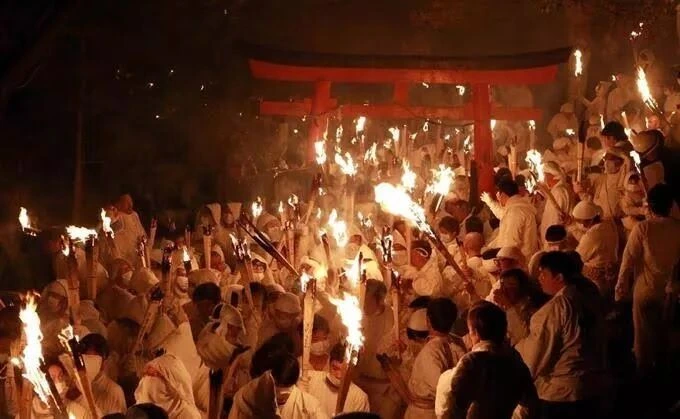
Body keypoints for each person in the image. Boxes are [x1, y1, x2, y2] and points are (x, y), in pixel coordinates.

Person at [516, 252, 608, 418]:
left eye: (544, 274)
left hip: (561, 394)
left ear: (559, 277)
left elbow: (535, 357)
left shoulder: (555, 309)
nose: (539, 278)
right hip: (593, 388)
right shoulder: (588, 298)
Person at [615, 184, 680, 375]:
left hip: (645, 291)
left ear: (649, 206)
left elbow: (627, 260)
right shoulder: (677, 228)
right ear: (670, 206)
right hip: (668, 292)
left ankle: (644, 374)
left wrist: (620, 288)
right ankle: (663, 373)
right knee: (664, 335)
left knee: (642, 338)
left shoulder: (643, 228)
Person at [435, 301, 539, 419]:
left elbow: (454, 409)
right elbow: (530, 405)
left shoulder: (472, 362)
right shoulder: (514, 359)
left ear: (475, 333)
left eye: (470, 331)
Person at [404, 298, 466, 419]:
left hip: (426, 414)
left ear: (428, 320)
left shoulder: (431, 351)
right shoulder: (458, 342)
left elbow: (441, 387)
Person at [355, 279, 397, 419]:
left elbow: (391, 351)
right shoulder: (356, 314)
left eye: (367, 300)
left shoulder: (391, 316)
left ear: (380, 300)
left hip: (382, 385)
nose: (363, 303)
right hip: (359, 380)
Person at [570, 201, 619, 297]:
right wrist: (570, 225)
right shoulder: (608, 224)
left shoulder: (592, 235)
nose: (578, 224)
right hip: (610, 278)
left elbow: (578, 258)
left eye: (579, 221)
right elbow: (589, 242)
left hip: (595, 282)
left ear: (587, 221)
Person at [308, 343, 370, 416]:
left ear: (353, 370)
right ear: (329, 363)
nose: (339, 375)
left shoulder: (359, 398)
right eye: (335, 368)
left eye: (345, 371)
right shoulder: (310, 379)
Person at [134, 353, 202, 419]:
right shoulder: (137, 412)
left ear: (173, 382)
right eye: (147, 375)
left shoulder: (188, 415)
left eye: (157, 374)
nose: (148, 379)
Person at [485, 179, 538, 260]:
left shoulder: (515, 211)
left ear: (502, 194)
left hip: (520, 262)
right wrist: (490, 203)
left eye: (498, 195)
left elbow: (511, 244)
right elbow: (503, 214)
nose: (498, 199)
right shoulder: (519, 207)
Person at [79, 333, 127, 416]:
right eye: (83, 359)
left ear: (103, 361)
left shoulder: (114, 391)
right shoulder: (74, 385)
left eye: (91, 359)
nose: (86, 363)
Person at [492, 269, 540, 345]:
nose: (504, 290)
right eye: (503, 285)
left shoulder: (532, 309)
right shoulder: (504, 308)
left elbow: (522, 337)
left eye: (511, 285)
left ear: (522, 287)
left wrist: (508, 306)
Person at [539, 161, 572, 242]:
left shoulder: (559, 191)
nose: (544, 179)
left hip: (554, 240)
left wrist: (551, 240)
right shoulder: (556, 190)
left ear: (551, 176)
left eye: (545, 175)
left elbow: (555, 219)